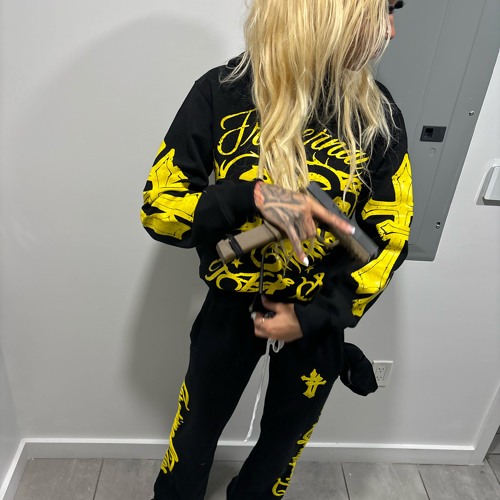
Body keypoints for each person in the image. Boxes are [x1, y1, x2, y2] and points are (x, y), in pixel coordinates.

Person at [141, 0, 412, 498]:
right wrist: (251, 196)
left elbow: (390, 236)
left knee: (284, 442)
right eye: (381, 11)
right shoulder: (220, 92)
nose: (390, 32)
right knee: (196, 425)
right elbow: (160, 208)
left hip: (317, 317)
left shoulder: (379, 115)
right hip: (231, 307)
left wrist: (316, 315)